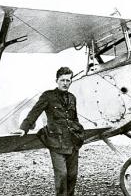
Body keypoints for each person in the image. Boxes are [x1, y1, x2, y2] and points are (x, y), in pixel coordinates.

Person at [17, 67, 84, 196]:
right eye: (62, 80)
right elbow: (35, 112)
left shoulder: (72, 97)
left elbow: (74, 118)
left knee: (72, 175)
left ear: (71, 82)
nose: (65, 83)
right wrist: (24, 128)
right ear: (56, 80)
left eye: (68, 80)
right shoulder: (48, 96)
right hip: (56, 142)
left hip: (72, 141)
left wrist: (79, 132)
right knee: (62, 175)